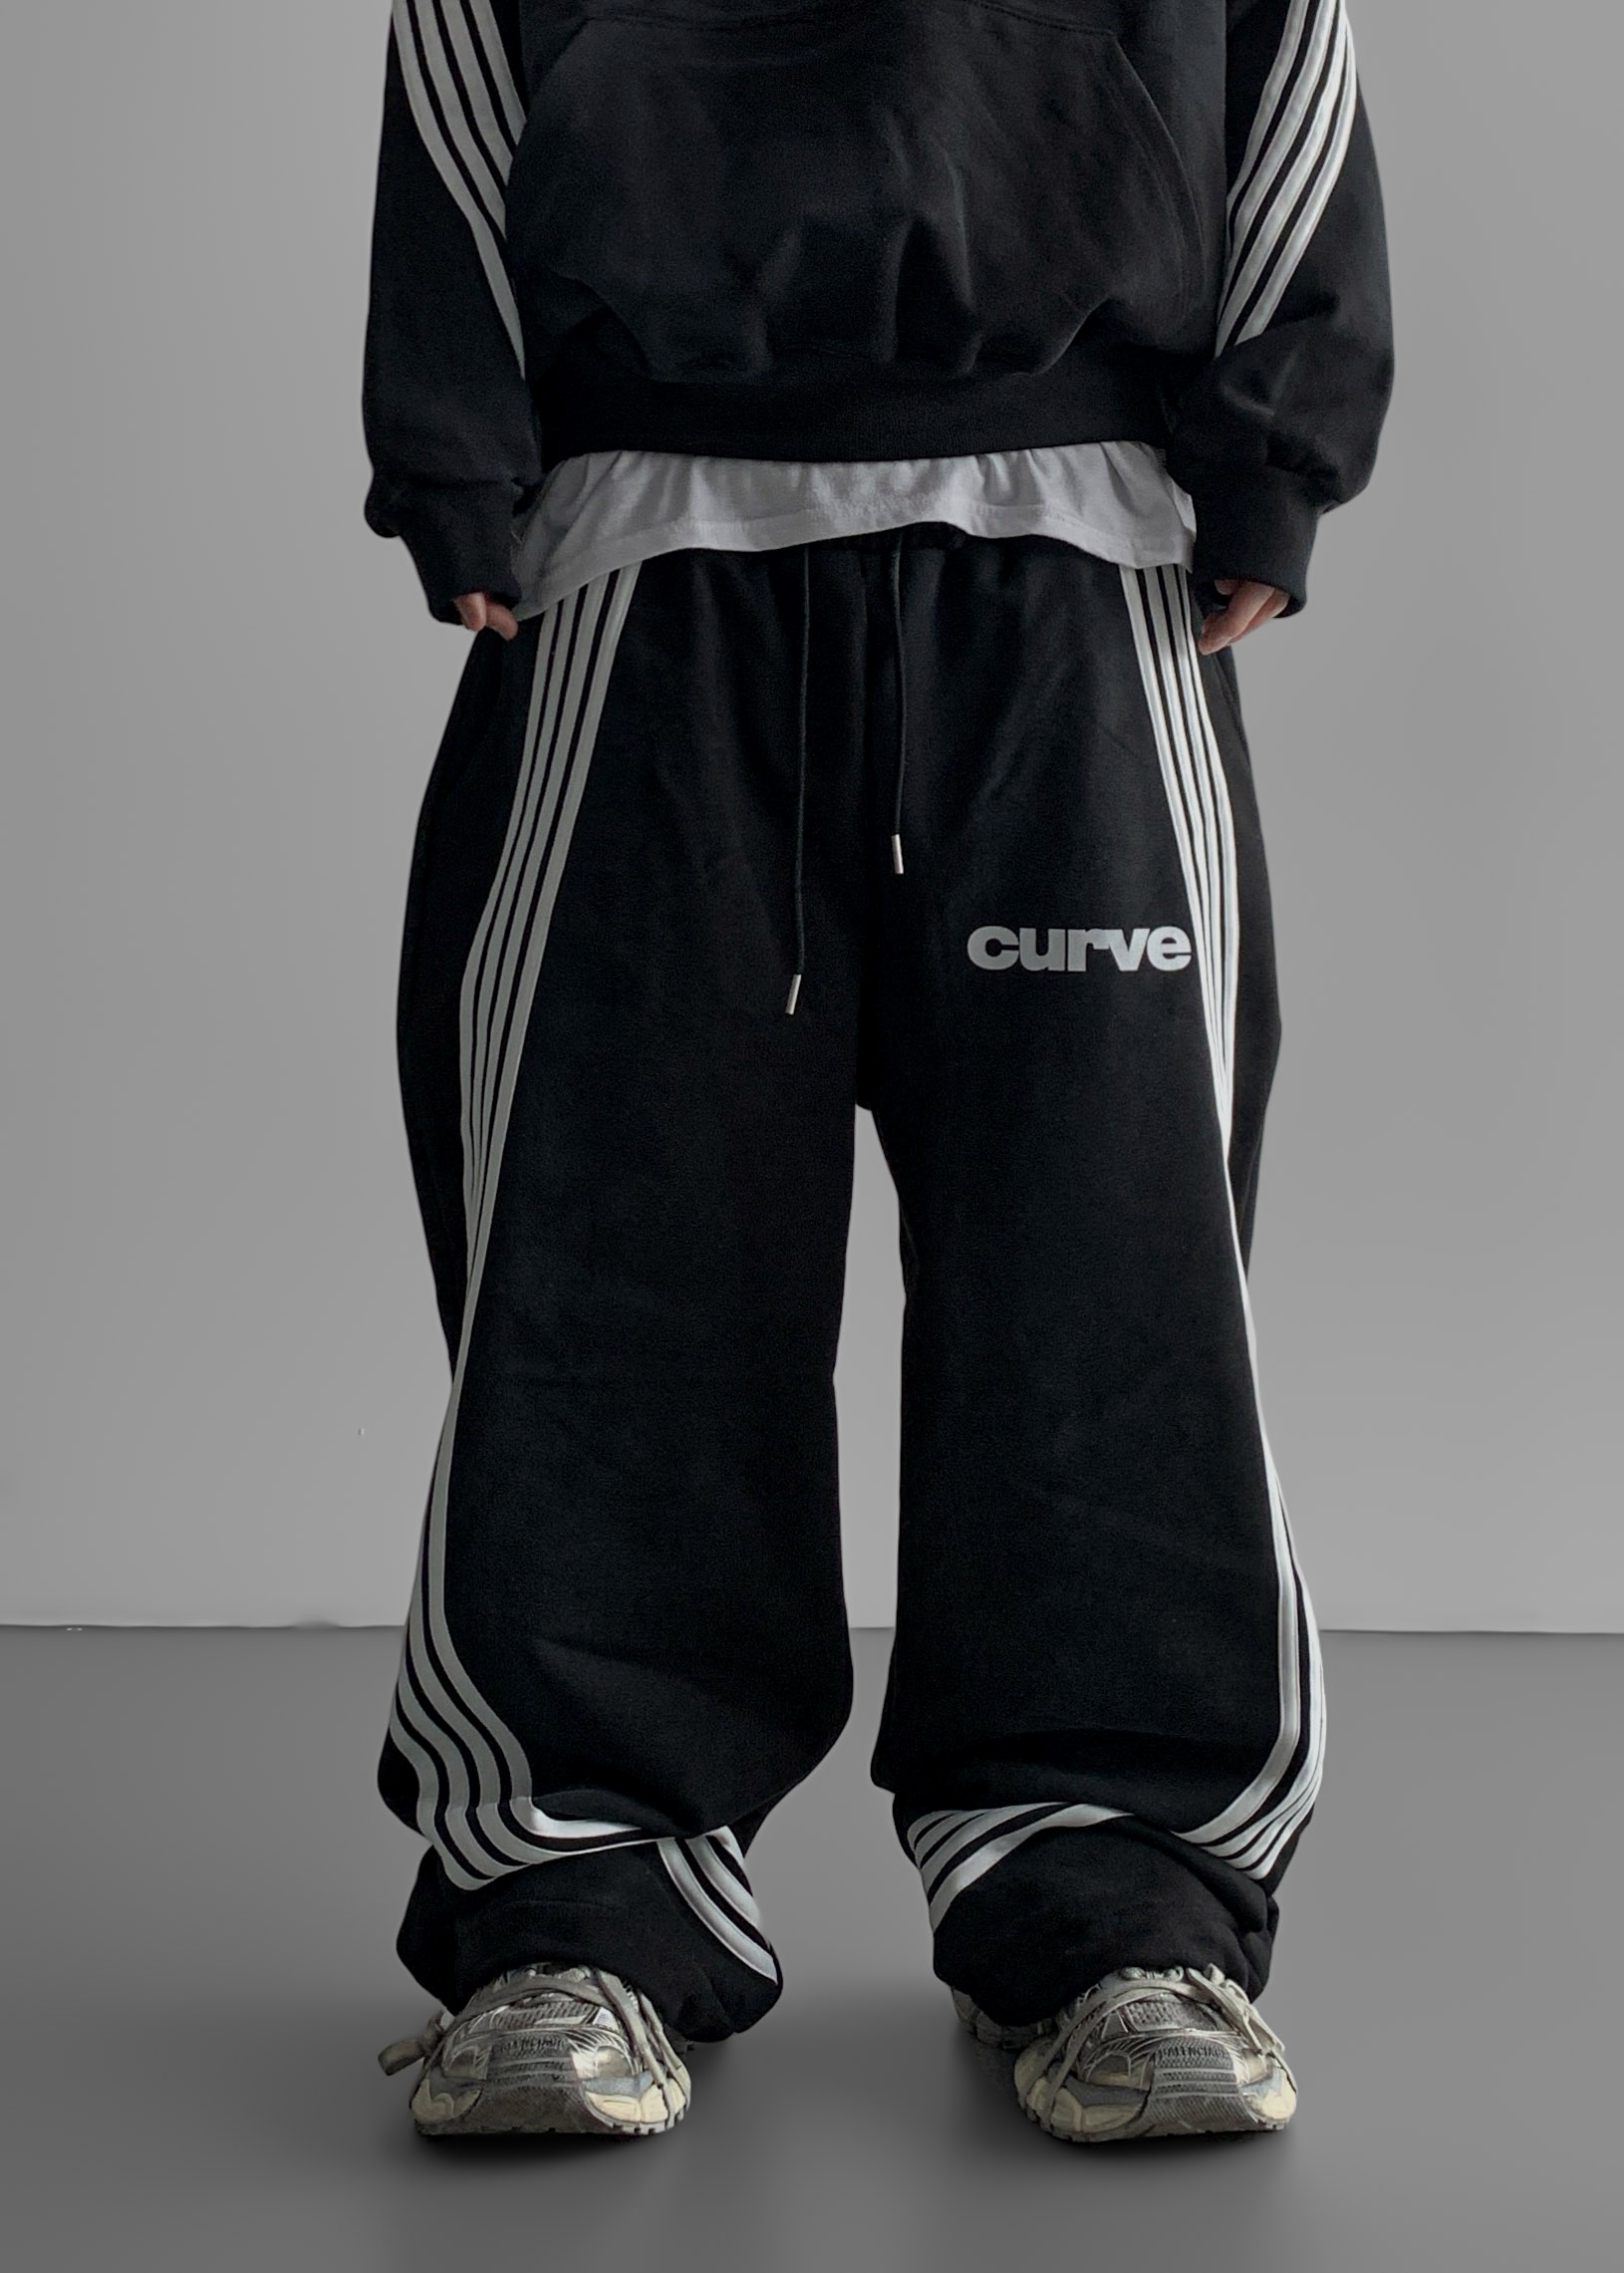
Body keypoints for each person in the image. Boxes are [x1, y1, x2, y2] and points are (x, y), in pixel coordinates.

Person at [364, 0, 1391, 2144]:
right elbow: (457, 45)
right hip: (652, 556)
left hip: (1074, 565)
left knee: (1107, 1258)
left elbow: (1287, 52)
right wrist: (454, 437)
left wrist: (1274, 443)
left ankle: (1110, 1897)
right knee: (614, 1249)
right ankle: (579, 1890)